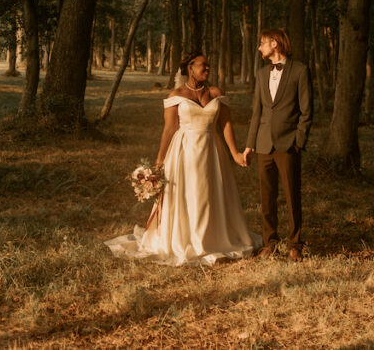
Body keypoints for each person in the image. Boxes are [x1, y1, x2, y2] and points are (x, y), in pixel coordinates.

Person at [105, 52, 261, 266]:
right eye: (203, 66)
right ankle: (185, 239)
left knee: (209, 193)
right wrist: (158, 164)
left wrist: (235, 153)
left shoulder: (216, 93)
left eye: (209, 66)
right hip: (184, 151)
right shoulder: (175, 95)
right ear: (190, 68)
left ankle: (210, 238)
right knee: (188, 193)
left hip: (211, 150)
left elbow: (225, 125)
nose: (208, 69)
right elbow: (169, 130)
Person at [243, 29, 312, 262]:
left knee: (292, 196)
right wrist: (250, 144)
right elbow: (256, 113)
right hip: (263, 145)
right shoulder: (261, 74)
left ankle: (295, 244)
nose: (259, 47)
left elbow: (306, 111)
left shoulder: (300, 70)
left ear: (274, 44)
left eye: (262, 43)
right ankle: (269, 242)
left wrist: (298, 142)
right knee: (266, 197)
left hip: (288, 144)